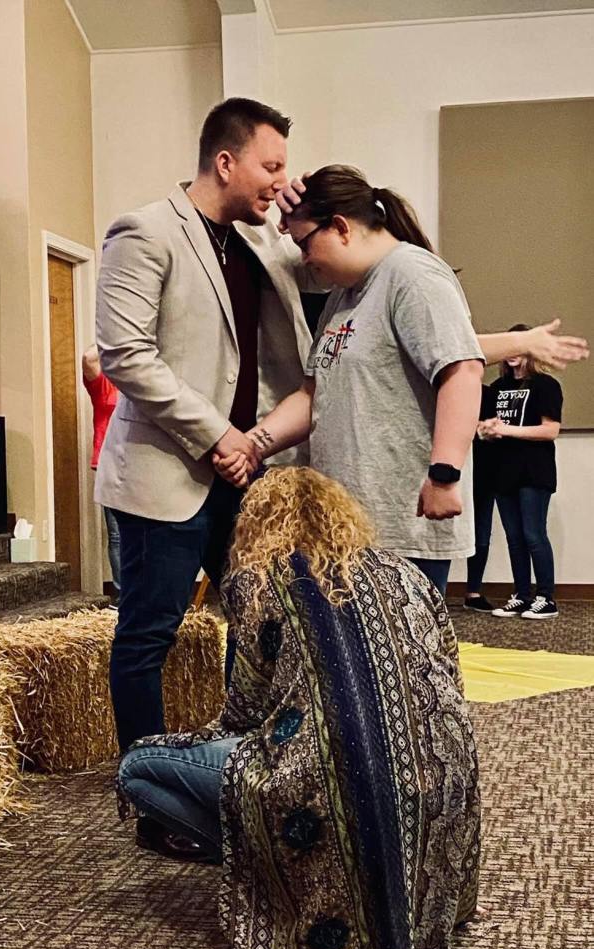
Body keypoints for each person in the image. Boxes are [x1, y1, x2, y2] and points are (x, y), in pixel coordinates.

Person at [118, 467, 481, 949]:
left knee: (138, 769)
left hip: (324, 786)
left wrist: (186, 741)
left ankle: (279, 872)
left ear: (254, 524)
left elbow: (243, 716)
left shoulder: (257, 582)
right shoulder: (407, 574)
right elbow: (450, 680)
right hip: (441, 786)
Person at [214, 166, 588, 596]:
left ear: (341, 227)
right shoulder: (345, 294)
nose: (304, 259)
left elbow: (462, 371)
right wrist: (253, 444)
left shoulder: (414, 275)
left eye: (304, 243)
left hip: (400, 524)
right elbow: (314, 393)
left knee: (404, 642)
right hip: (343, 523)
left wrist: (444, 476)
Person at [94, 98, 325, 757]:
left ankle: (235, 768)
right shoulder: (144, 231)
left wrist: (299, 216)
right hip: (165, 476)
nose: (280, 180)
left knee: (257, 629)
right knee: (149, 637)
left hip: (249, 476)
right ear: (225, 163)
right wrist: (218, 435)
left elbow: (323, 291)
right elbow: (125, 355)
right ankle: (145, 785)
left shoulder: (263, 242)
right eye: (270, 166)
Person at [481, 326, 563, 619]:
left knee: (533, 534)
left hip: (534, 471)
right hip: (503, 472)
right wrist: (486, 430)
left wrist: (507, 429)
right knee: (514, 537)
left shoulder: (546, 385)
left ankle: (546, 598)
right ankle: (521, 595)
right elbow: (489, 427)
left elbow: (550, 430)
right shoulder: (498, 387)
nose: (512, 353)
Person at [82, 345, 121, 607]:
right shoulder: (103, 385)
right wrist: (116, 332)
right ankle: (122, 595)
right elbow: (89, 357)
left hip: (140, 464)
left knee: (145, 533)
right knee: (117, 535)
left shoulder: (138, 386)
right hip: (109, 464)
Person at [463, 384, 496, 611]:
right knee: (436, 532)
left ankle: (473, 591)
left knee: (480, 533)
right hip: (447, 473)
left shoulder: (489, 393)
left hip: (483, 472)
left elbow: (494, 431)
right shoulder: (437, 388)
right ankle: (432, 591)